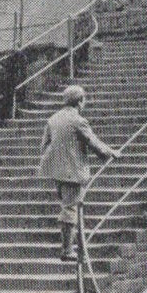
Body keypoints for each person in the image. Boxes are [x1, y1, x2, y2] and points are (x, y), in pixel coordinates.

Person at [39, 84, 117, 261]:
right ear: (80, 101)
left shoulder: (53, 119)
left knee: (70, 206)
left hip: (57, 172)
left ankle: (78, 247)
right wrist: (110, 153)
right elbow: (93, 143)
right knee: (70, 208)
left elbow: (44, 146)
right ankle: (67, 250)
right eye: (84, 100)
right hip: (72, 172)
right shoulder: (78, 121)